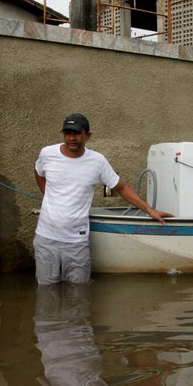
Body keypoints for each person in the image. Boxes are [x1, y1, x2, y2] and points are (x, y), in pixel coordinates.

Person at [33, 113, 172, 284]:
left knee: (79, 294)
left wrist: (149, 210)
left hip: (77, 242)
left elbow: (121, 187)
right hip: (46, 238)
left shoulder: (97, 162)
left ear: (88, 136)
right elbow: (38, 172)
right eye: (67, 133)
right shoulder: (47, 154)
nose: (71, 138)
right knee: (46, 292)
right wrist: (47, 193)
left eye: (76, 133)